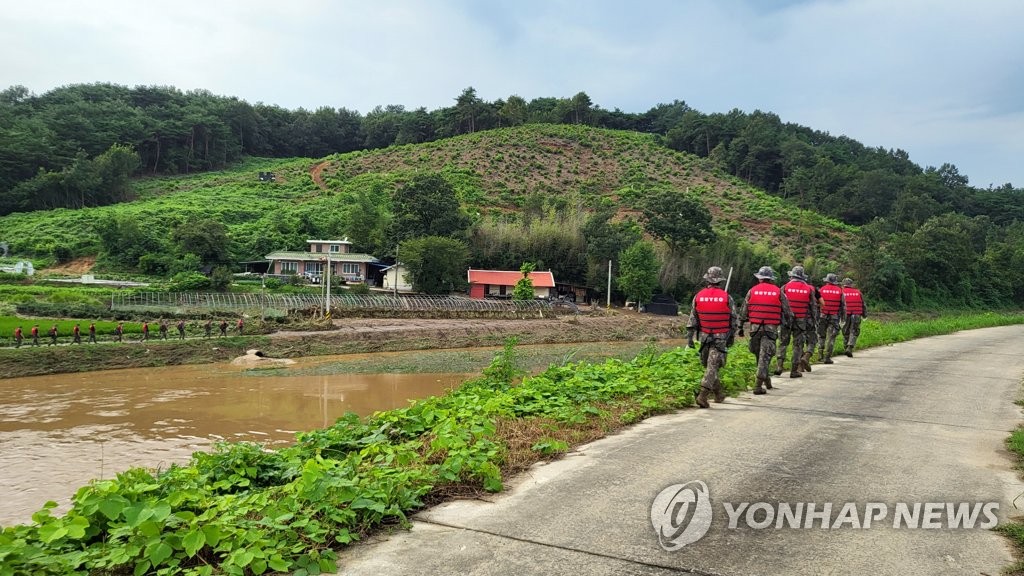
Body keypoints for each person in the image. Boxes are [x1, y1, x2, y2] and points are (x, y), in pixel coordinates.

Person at [685, 266, 738, 408]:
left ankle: (705, 394)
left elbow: (692, 320)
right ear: (720, 280)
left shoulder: (698, 296)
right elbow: (733, 320)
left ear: (707, 280)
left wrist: (689, 339)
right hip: (720, 338)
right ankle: (713, 394)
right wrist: (732, 337)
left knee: (710, 366)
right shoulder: (728, 297)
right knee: (711, 367)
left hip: (704, 337)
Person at [739, 266, 792, 394]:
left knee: (760, 356)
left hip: (755, 329)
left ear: (760, 279)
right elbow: (787, 312)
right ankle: (758, 385)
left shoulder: (752, 291)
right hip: (770, 329)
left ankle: (766, 381)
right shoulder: (779, 292)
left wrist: (740, 327)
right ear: (771, 279)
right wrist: (788, 324)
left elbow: (744, 311)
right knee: (765, 357)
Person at [775, 266, 818, 378]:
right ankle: (794, 371)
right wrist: (814, 320)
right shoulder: (808, 289)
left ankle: (779, 366)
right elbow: (813, 306)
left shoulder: (785, 287)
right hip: (801, 320)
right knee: (798, 345)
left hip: (786, 320)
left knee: (783, 342)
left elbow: (778, 304)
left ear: (791, 276)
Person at [816, 273, 846, 364]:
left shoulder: (821, 290)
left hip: (822, 316)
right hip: (834, 317)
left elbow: (817, 304)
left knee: (821, 335)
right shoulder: (840, 291)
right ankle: (827, 357)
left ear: (827, 281)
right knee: (831, 337)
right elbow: (843, 306)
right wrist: (843, 319)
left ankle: (820, 355)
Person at [841, 278, 868, 357]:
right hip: (857, 314)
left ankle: (846, 347)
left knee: (845, 330)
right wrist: (864, 315)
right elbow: (863, 305)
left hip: (846, 314)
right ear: (851, 285)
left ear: (843, 285)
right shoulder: (858, 292)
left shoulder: (841, 292)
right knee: (854, 331)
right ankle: (850, 347)